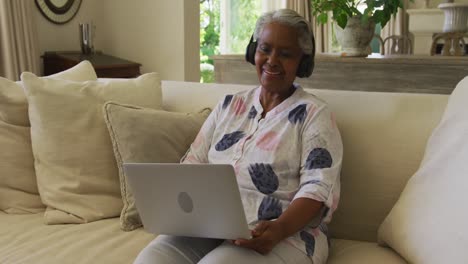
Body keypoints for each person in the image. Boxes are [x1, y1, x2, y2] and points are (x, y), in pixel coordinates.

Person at [134, 8, 343, 264]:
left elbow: (318, 189)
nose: (272, 60)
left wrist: (278, 229)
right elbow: (194, 163)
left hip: (288, 235)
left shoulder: (314, 114)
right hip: (209, 226)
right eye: (265, 49)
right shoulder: (229, 105)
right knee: (151, 259)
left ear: (303, 62)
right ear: (253, 52)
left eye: (286, 54)